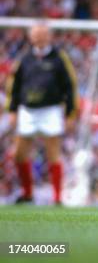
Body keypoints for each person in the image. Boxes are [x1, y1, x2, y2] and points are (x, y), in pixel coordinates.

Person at [6, 23, 78, 205]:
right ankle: (27, 193)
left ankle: (57, 197)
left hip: (51, 110)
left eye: (42, 34)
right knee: (19, 154)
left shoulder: (59, 58)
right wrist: (13, 110)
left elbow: (70, 86)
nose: (39, 38)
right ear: (31, 37)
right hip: (28, 111)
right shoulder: (24, 59)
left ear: (49, 37)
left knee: (53, 153)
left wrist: (70, 113)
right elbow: (14, 86)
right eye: (36, 35)